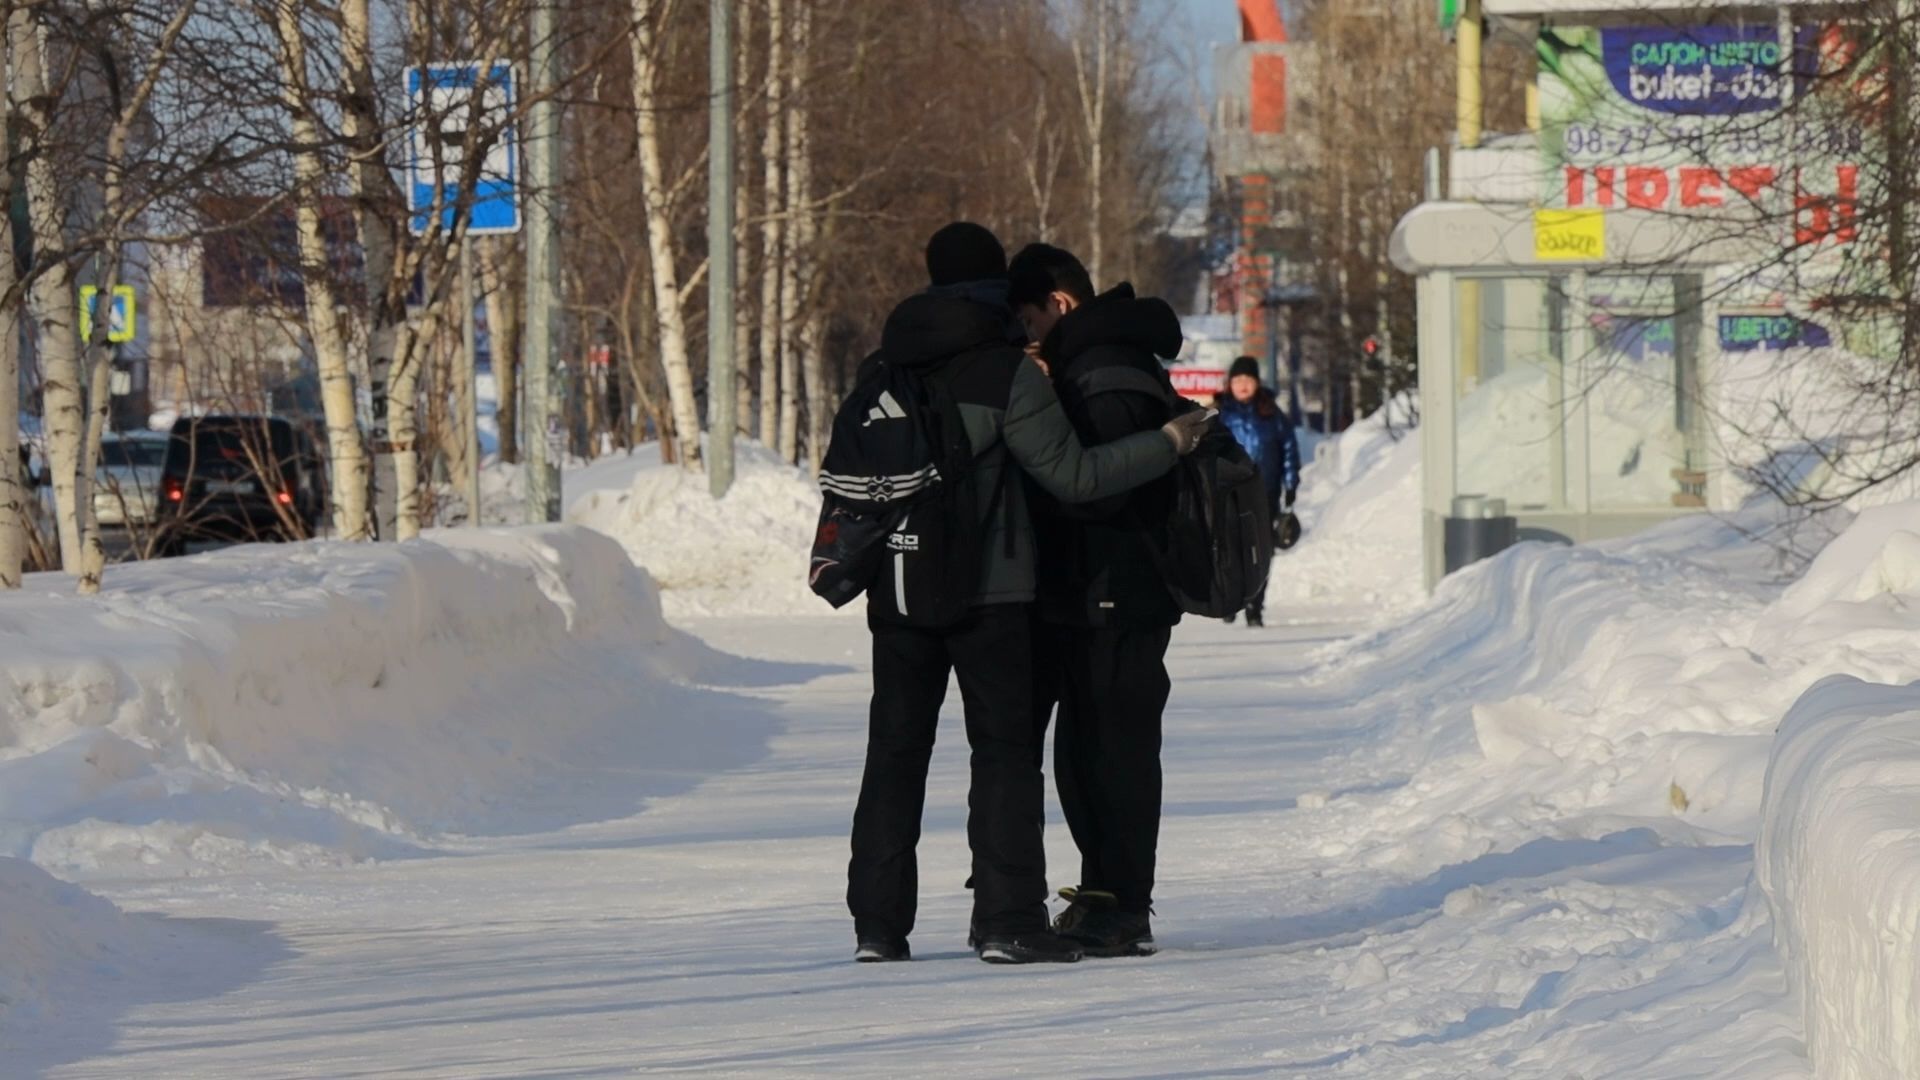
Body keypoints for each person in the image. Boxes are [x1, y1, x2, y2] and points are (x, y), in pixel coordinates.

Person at [847, 222, 1211, 966]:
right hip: (993, 592)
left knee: (893, 754)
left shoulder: (881, 367)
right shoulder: (1006, 372)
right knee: (1005, 754)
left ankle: (878, 927)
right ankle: (1008, 922)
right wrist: (1171, 443)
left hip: (898, 591)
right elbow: (1075, 477)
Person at [1009, 242, 1183, 958]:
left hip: (1117, 588)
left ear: (1061, 304)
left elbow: (1101, 490)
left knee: (1115, 751)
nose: (1025, 337)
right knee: (1086, 750)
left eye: (1028, 320)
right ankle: (1105, 893)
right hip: (1098, 592)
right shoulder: (1093, 362)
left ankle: (1124, 903)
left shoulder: (1106, 373)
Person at [1214, 355, 1300, 628]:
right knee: (1229, 550)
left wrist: (1291, 485)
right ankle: (1230, 600)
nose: (1242, 385)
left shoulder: (1272, 415)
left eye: (1247, 380)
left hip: (1265, 494)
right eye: (1237, 380)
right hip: (1228, 494)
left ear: (1256, 383)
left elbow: (1289, 451)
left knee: (1261, 551)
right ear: (1230, 384)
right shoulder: (1220, 414)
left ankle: (1255, 606)